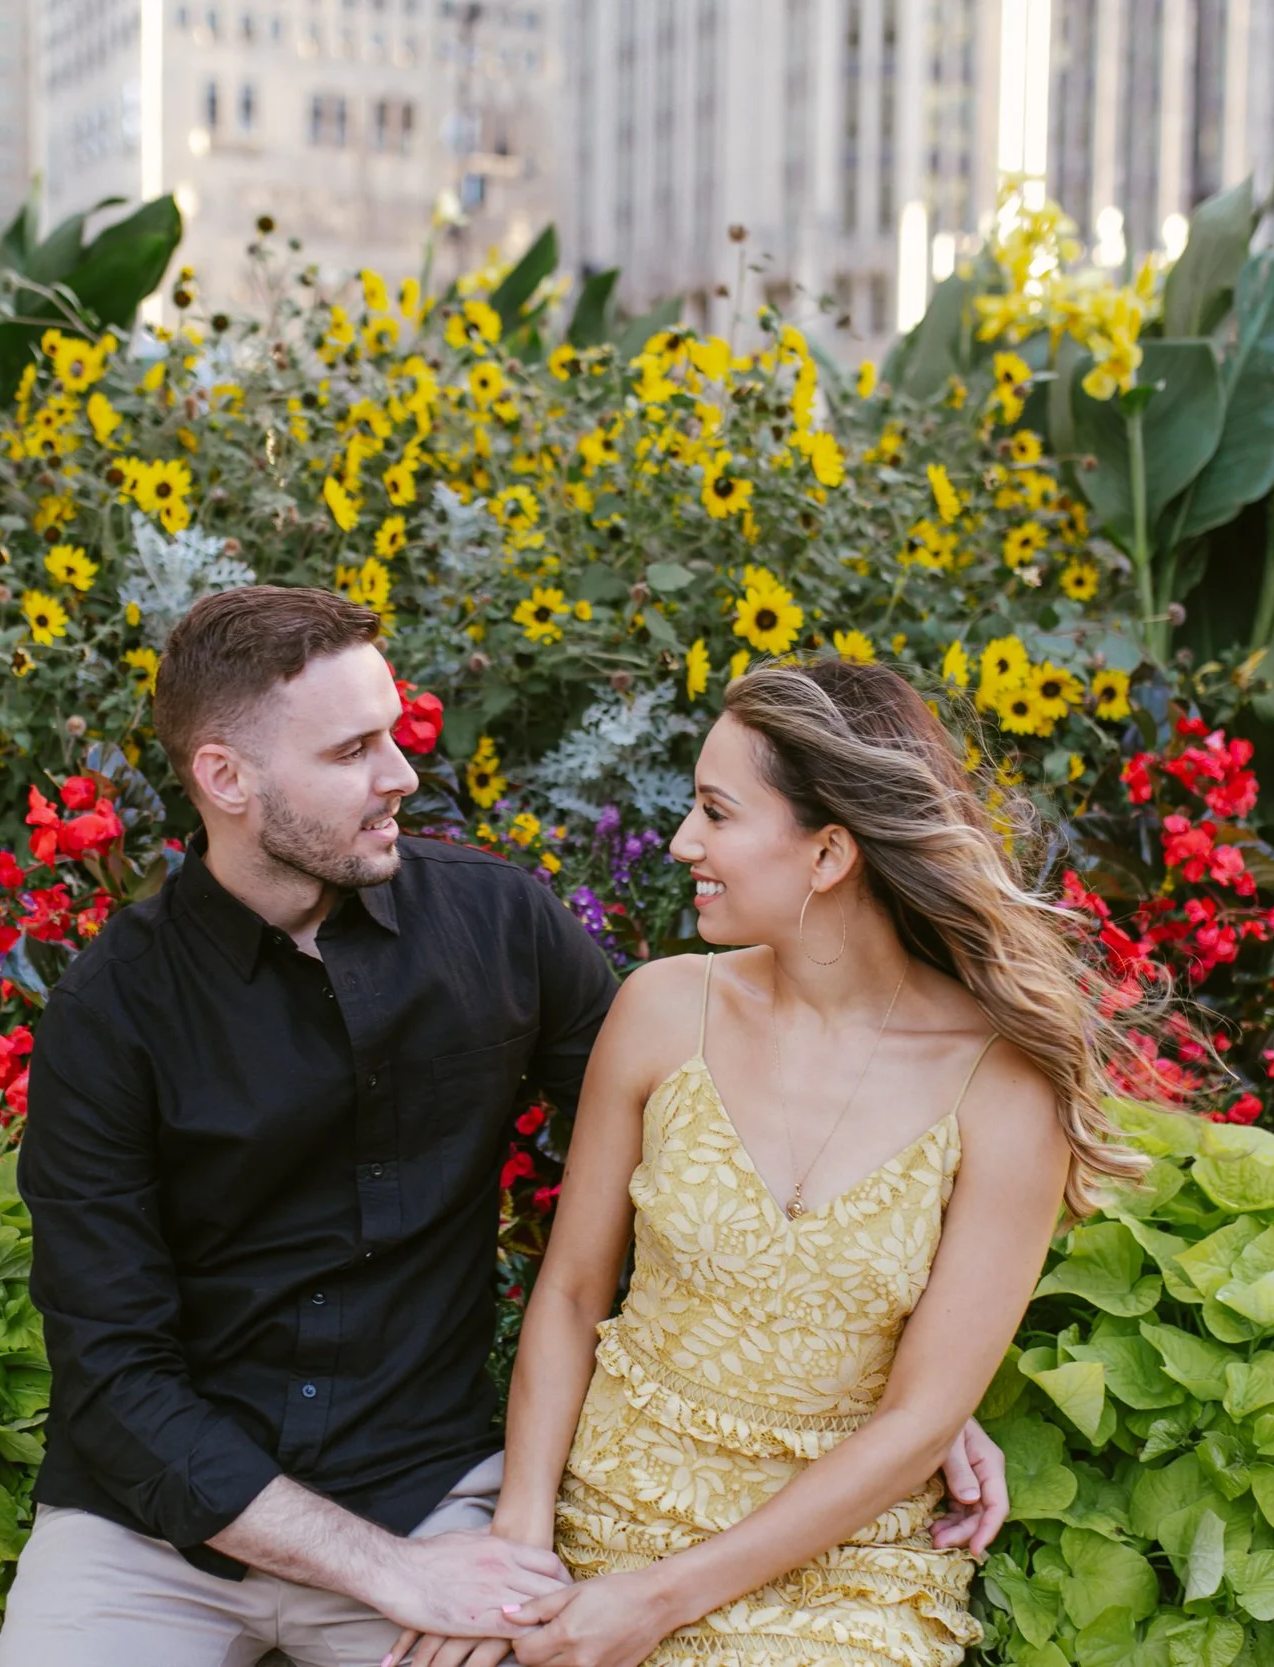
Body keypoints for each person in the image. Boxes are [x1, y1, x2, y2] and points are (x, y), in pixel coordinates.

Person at [0, 587, 1015, 1667]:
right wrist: (392, 1574)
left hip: (422, 1490)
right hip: (155, 1537)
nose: (402, 774)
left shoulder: (494, 924)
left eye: (393, 732)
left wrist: (894, 1376)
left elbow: (703, 1133)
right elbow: (115, 1386)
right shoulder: (110, 1014)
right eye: (353, 750)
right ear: (226, 778)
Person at [396, 661, 1144, 1667]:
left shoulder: (1003, 1085)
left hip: (837, 1572)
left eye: (716, 810)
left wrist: (656, 1603)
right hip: (607, 1519)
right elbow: (571, 1292)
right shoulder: (663, 1008)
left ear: (828, 850)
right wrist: (520, 1547)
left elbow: (922, 1416)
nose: (681, 843)